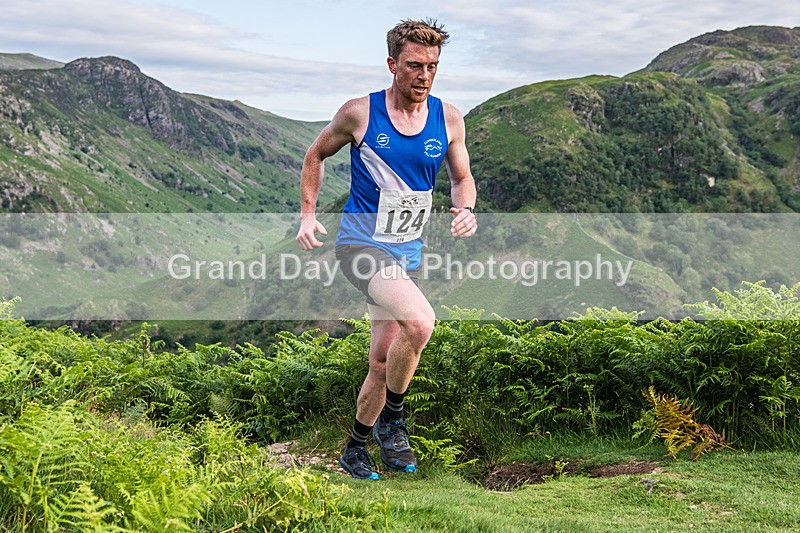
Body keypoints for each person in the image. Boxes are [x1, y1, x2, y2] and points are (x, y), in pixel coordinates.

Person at [296, 18, 477, 480]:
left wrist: (465, 208)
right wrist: (308, 213)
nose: (424, 76)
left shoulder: (448, 118)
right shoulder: (360, 113)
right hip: (359, 245)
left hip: (407, 251)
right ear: (393, 64)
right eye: (415, 66)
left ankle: (354, 450)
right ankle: (394, 419)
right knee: (421, 322)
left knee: (383, 361)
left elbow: (461, 178)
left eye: (432, 67)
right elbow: (316, 154)